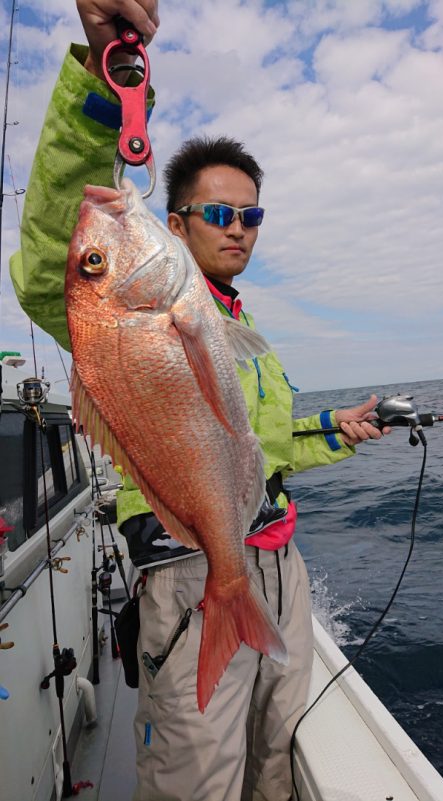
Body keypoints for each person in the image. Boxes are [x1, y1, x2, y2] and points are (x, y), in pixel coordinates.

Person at [9, 2, 390, 799]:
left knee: (272, 764)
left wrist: (339, 429)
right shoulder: (127, 311)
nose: (240, 228)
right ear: (174, 224)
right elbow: (55, 260)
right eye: (220, 213)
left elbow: (263, 444)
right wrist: (98, 75)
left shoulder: (237, 327)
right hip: (194, 571)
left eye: (252, 215)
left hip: (276, 568)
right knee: (195, 777)